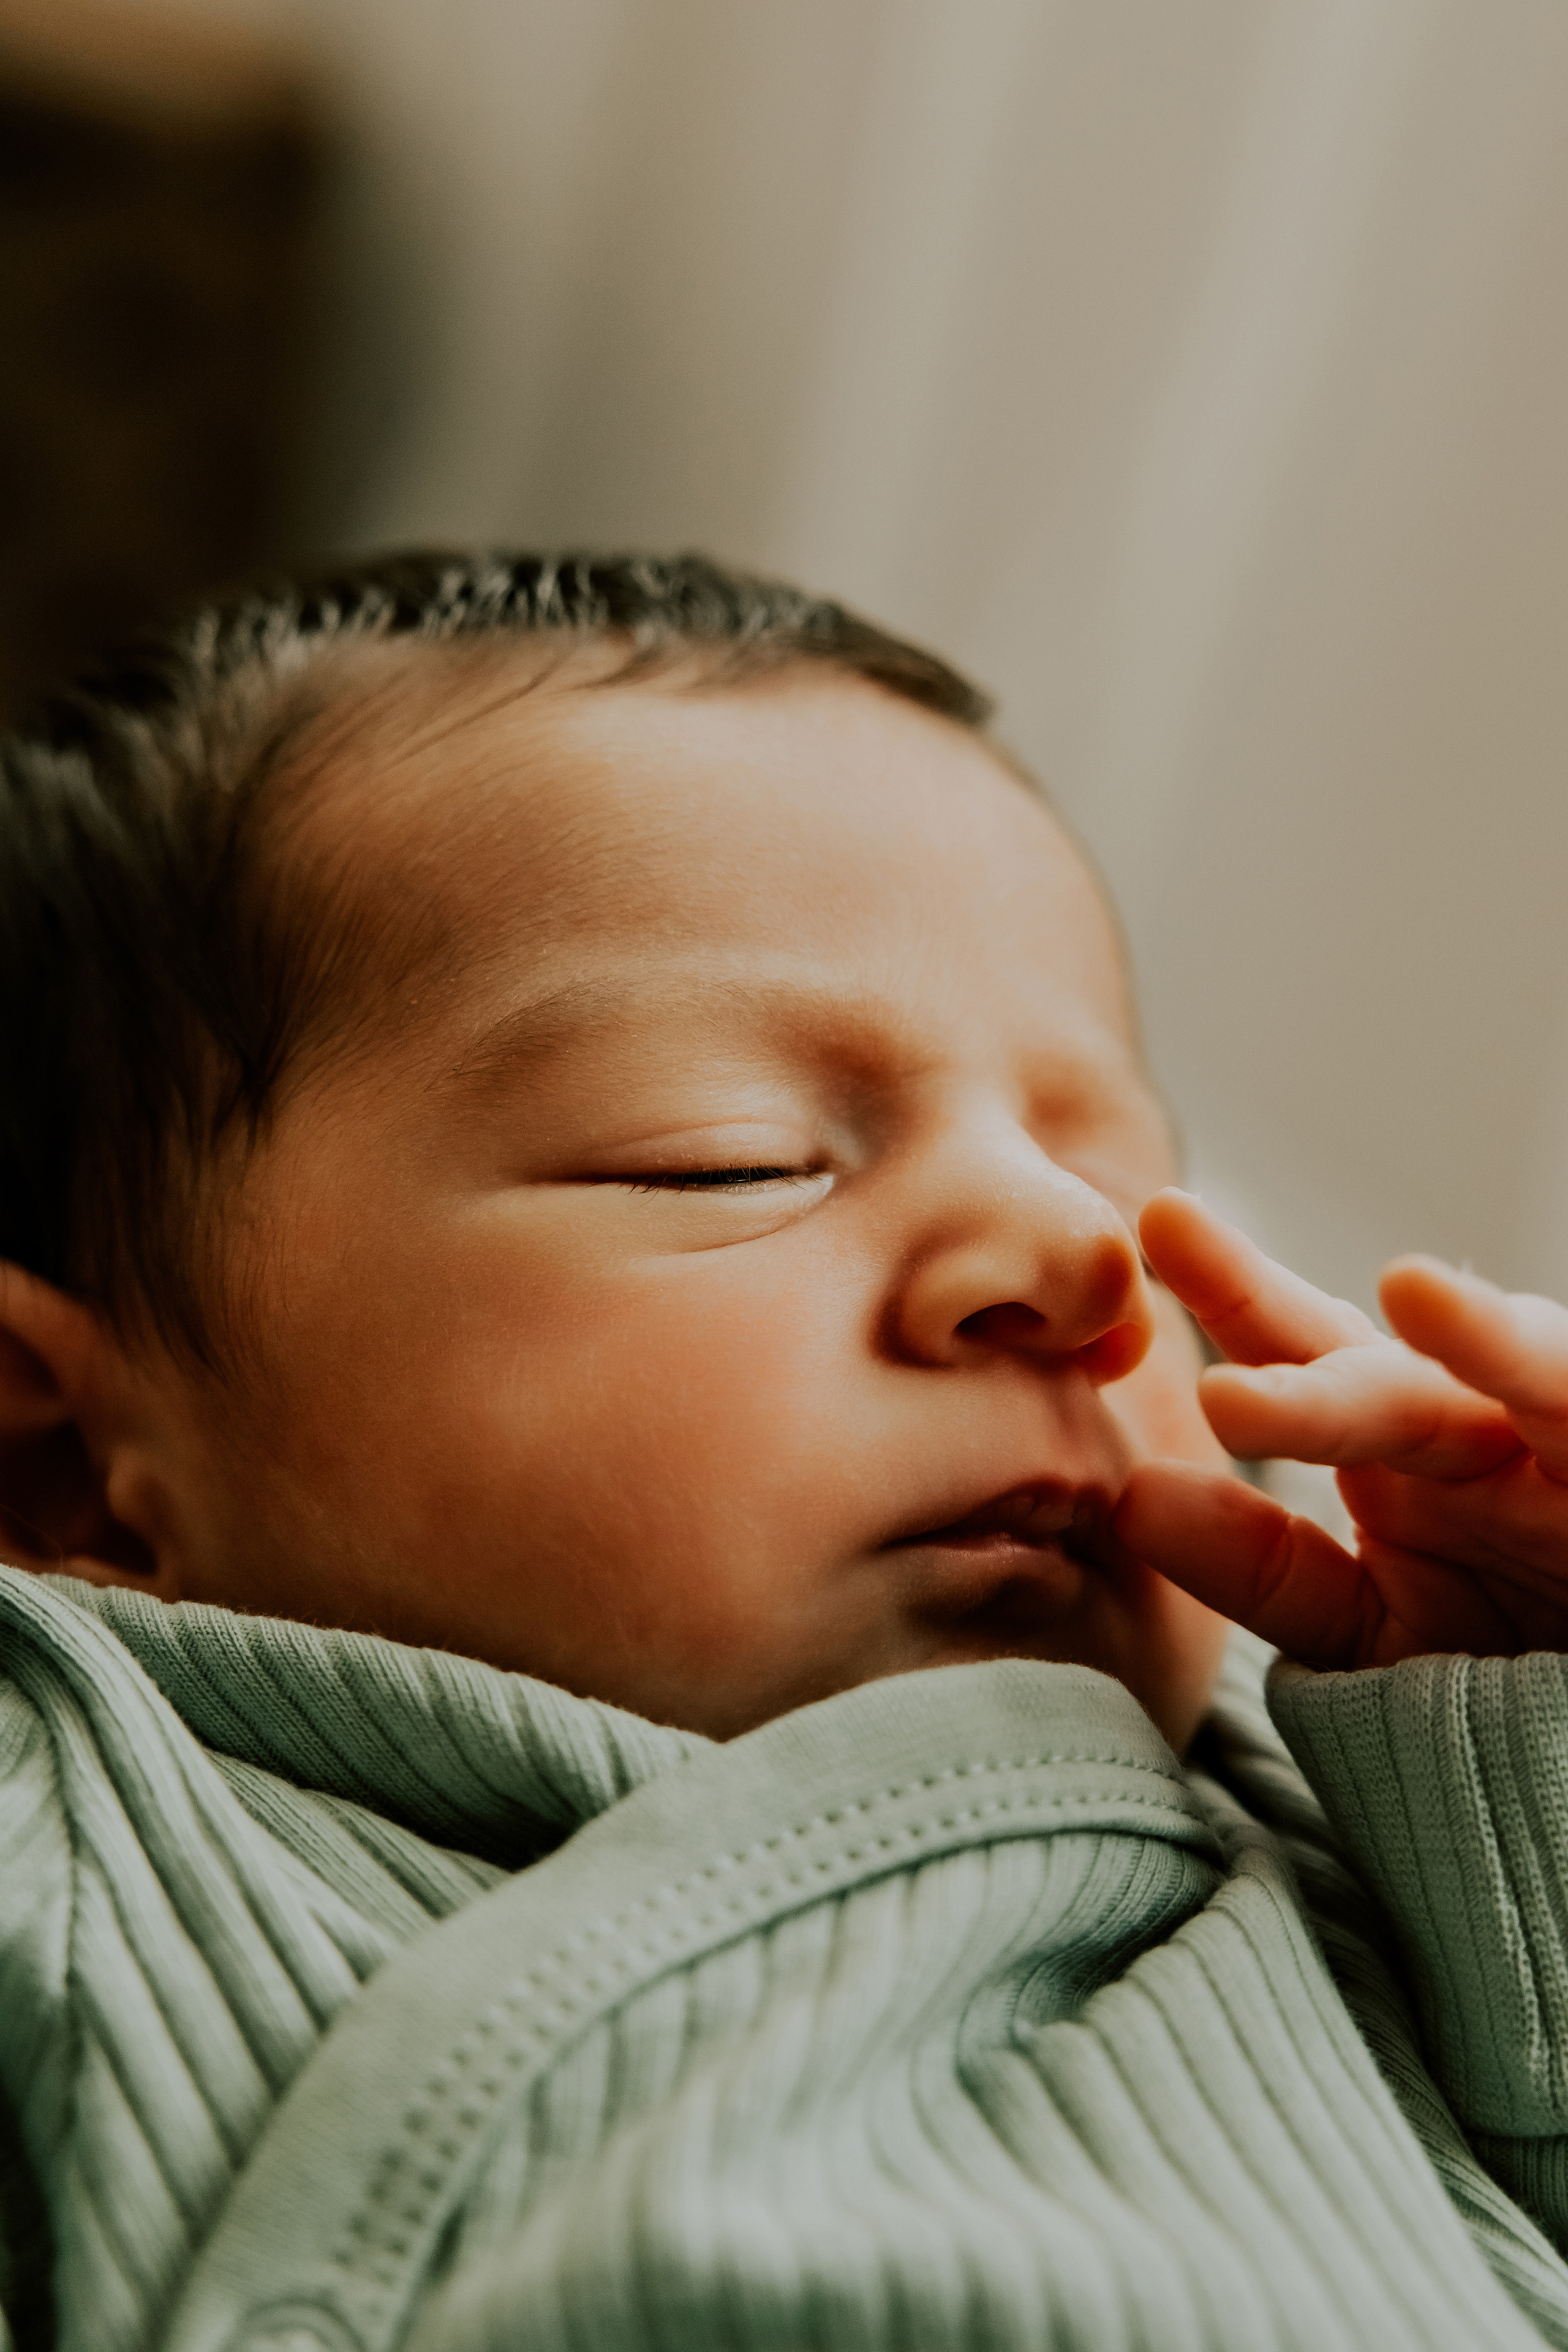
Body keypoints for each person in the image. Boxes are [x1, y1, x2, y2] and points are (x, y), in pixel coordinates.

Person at [2, 550, 1567, 2352]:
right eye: (727, 1155)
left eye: (1126, 1187)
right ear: (67, 1466)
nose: (1072, 1267)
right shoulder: (78, 1829)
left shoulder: (1365, 1852)